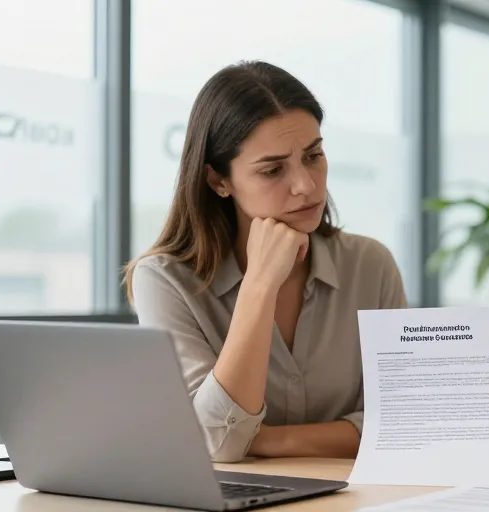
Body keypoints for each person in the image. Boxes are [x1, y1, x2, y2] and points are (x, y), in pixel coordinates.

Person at [124, 61, 407, 463]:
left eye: (314, 156)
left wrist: (268, 441)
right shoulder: (165, 281)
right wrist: (259, 285)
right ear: (218, 181)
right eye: (272, 169)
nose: (305, 186)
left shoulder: (370, 265)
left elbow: (403, 422)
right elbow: (218, 443)